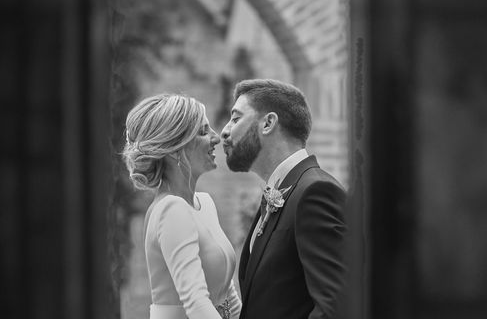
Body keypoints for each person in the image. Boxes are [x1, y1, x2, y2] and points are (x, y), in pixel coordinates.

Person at [220, 79, 347, 319]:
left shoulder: (315, 192)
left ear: (268, 123)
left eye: (236, 118)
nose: (225, 131)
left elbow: (335, 307)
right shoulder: (278, 193)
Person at [122, 93, 242, 319]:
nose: (216, 138)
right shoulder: (171, 210)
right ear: (176, 148)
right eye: (204, 131)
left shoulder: (204, 204)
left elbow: (227, 298)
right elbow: (197, 305)